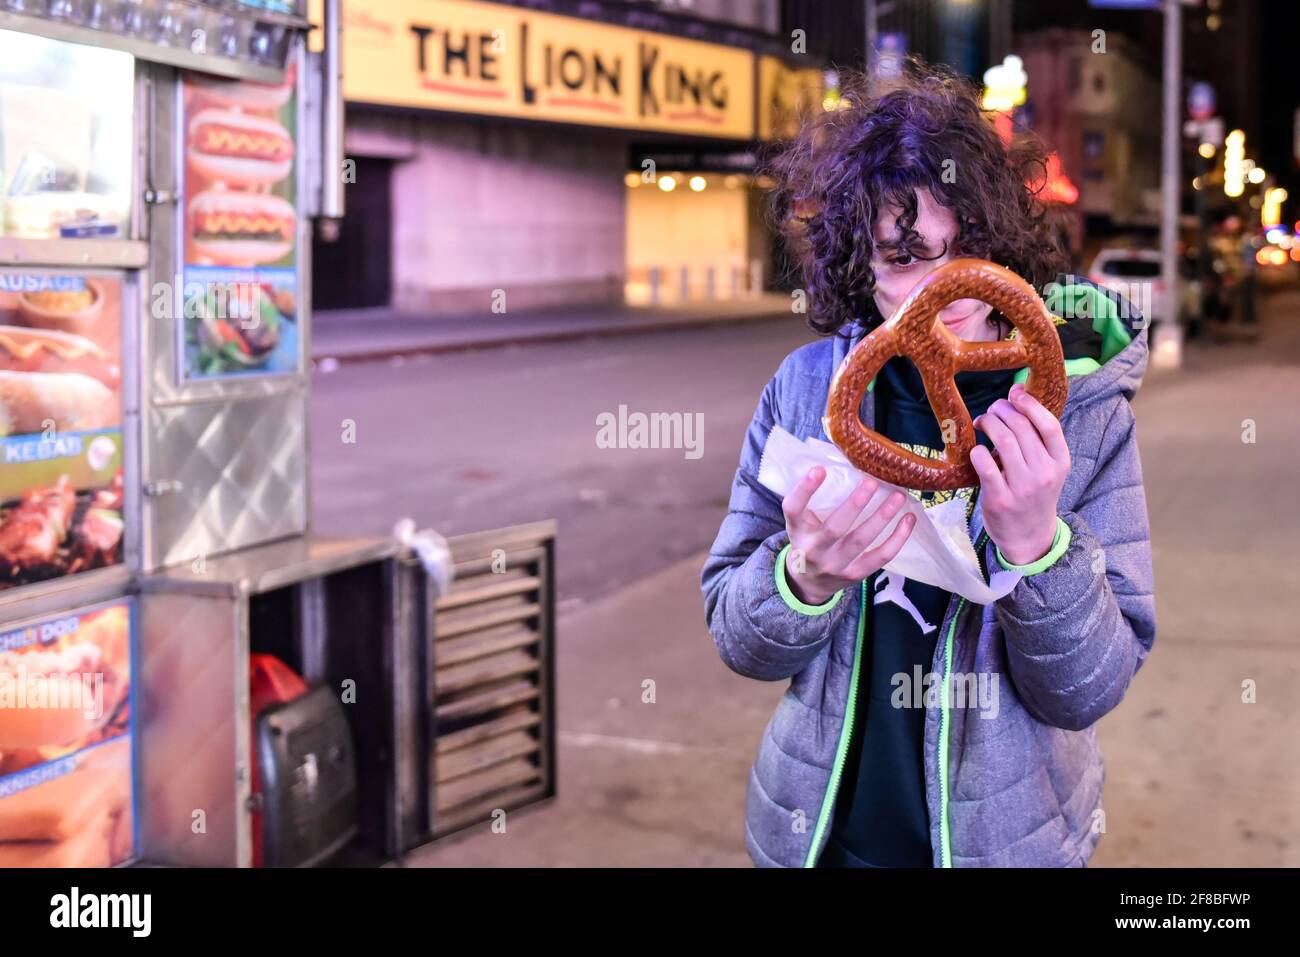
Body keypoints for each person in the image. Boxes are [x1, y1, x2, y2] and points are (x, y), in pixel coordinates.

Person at [701, 59, 1156, 868]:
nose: (945, 292)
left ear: (1001, 239)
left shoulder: (1083, 417)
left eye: (964, 249)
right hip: (821, 836)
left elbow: (1089, 689)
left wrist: (1035, 546)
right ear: (859, 262)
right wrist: (802, 576)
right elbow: (739, 641)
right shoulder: (807, 391)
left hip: (1008, 845)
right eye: (905, 256)